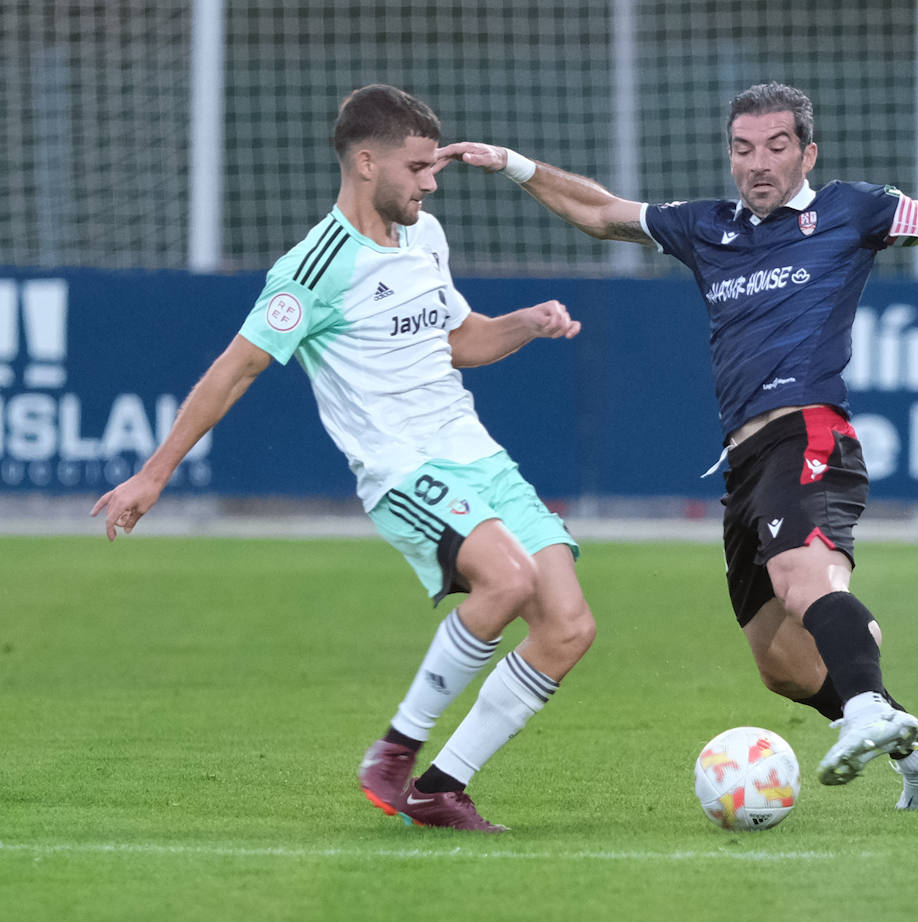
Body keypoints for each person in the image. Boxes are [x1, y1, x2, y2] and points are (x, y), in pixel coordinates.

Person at [442, 82, 918, 811]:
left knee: (803, 577)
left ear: (808, 153)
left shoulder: (853, 210)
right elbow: (601, 213)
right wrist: (513, 163)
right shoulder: (705, 228)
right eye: (743, 148)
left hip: (810, 431)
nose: (758, 163)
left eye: (776, 146)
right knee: (782, 664)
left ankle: (867, 710)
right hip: (745, 461)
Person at [91, 84, 595, 832]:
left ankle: (439, 789)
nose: (431, 182)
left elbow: (459, 342)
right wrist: (154, 474)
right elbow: (235, 369)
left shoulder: (425, 237)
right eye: (417, 167)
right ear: (366, 163)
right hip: (403, 468)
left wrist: (525, 322)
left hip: (477, 455)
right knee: (509, 578)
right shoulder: (314, 267)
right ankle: (395, 751)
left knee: (568, 626)